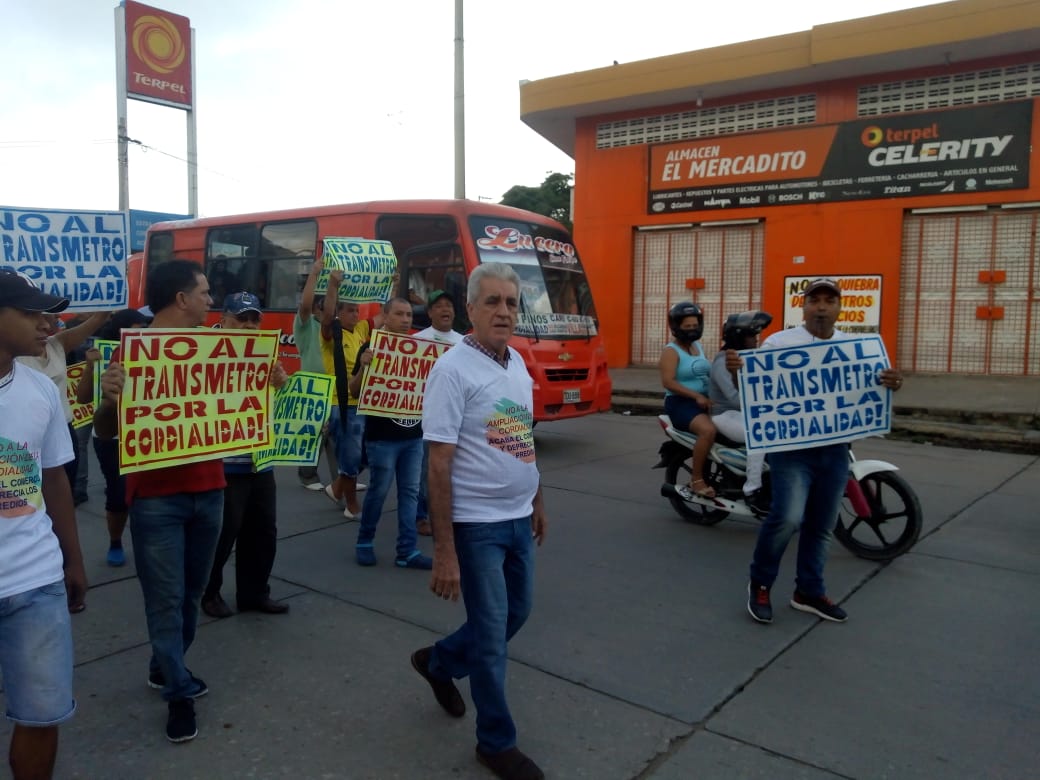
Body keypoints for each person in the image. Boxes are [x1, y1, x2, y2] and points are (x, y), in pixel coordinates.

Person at [412, 262, 548, 780]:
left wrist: (537, 497)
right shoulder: (452, 371)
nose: (503, 312)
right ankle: (495, 743)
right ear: (470, 309)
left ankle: (439, 662)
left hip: (518, 518)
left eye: (511, 302)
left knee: (517, 615)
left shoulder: (515, 362)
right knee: (491, 636)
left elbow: (522, 437)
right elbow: (438, 462)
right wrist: (444, 551)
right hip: (476, 526)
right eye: (492, 302)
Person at [94, 259, 225, 743]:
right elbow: (106, 435)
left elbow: (238, 411)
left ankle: (163, 663)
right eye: (205, 293)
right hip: (155, 501)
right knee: (166, 601)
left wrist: (267, 385)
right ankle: (178, 693)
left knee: (190, 594)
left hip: (210, 492)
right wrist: (109, 401)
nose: (211, 301)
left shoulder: (218, 350)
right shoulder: (130, 355)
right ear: (181, 299)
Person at [739, 278, 904, 625]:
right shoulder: (778, 342)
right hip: (792, 452)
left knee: (822, 525)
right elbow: (759, 387)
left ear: (839, 307)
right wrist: (738, 371)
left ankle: (809, 591)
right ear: (804, 306)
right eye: (816, 300)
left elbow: (869, 386)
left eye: (830, 300)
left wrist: (892, 383)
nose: (823, 307)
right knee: (787, 518)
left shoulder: (855, 347)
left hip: (834, 451)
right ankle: (761, 584)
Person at [0, 269, 87, 780]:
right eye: (30, 313)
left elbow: (54, 478)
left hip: (36, 584)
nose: (46, 324)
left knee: (42, 715)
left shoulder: (40, 390)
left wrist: (71, 560)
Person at [201, 292, 291, 619]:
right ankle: (208, 592)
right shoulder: (203, 351)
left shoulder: (265, 354)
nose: (250, 326)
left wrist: (280, 382)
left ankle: (254, 593)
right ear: (222, 319)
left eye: (255, 320)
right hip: (223, 461)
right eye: (242, 319)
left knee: (263, 530)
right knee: (223, 532)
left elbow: (276, 402)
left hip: (259, 458)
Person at [348, 297, 432, 569]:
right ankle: (364, 541)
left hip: (413, 437)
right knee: (378, 490)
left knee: (410, 493)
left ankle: (407, 551)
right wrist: (364, 366)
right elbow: (354, 390)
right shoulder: (371, 346)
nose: (406, 319)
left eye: (409, 314)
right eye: (399, 314)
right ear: (386, 316)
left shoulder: (420, 349)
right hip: (382, 437)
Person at [75, 308, 152, 566]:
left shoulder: (155, 353)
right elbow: (83, 398)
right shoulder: (100, 352)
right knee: (118, 493)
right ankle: (116, 541)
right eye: (138, 326)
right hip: (111, 436)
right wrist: (90, 365)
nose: (144, 330)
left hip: (146, 435)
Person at [320, 270, 372, 519]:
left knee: (367, 453)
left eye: (357, 310)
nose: (356, 313)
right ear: (340, 313)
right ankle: (352, 506)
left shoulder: (361, 329)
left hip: (362, 402)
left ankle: (338, 486)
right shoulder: (332, 335)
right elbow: (327, 316)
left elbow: (383, 317)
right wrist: (333, 285)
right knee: (351, 457)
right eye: (350, 310)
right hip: (342, 404)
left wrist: (392, 288)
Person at [412, 289, 464, 536]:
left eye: (449, 306)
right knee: (426, 470)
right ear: (430, 312)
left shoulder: (464, 343)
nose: (446, 310)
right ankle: (421, 516)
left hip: (457, 419)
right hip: (427, 418)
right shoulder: (417, 341)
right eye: (439, 306)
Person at [709, 310, 773, 513]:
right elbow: (736, 399)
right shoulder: (723, 362)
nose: (756, 340)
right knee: (760, 435)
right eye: (751, 336)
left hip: (743, 412)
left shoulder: (745, 358)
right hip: (724, 414)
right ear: (738, 337)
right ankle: (752, 489)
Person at [659, 301, 717, 498]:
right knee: (708, 431)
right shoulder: (671, 351)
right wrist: (696, 396)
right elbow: (668, 382)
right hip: (680, 404)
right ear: (676, 328)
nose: (692, 330)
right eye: (687, 327)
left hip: (705, 401)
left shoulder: (698, 347)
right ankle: (697, 479)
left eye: (695, 326)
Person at [293, 257, 334, 491]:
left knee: (336, 435)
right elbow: (305, 306)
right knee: (314, 434)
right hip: (312, 388)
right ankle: (307, 475)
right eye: (326, 305)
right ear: (319, 308)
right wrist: (314, 275)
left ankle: (342, 478)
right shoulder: (306, 326)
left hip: (333, 386)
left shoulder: (334, 328)